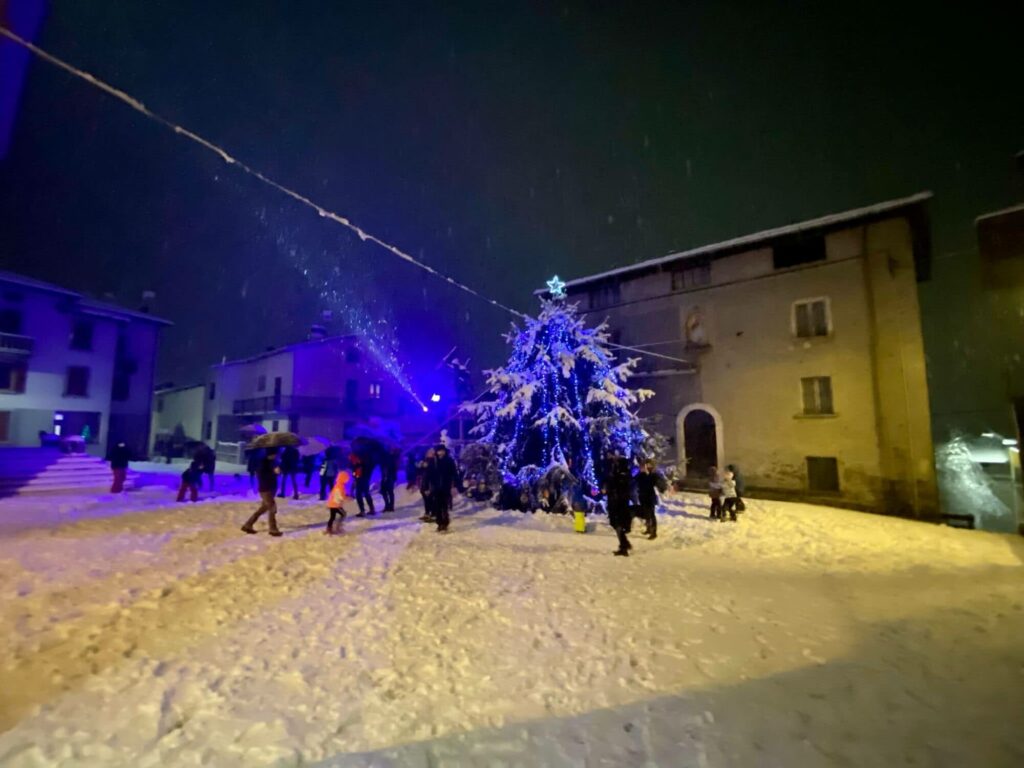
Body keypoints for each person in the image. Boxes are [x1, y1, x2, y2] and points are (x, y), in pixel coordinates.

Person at [241, 448, 282, 536]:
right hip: (265, 488)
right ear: (270, 455)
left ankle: (248, 525)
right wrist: (274, 472)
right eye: (275, 454)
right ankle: (273, 529)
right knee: (272, 507)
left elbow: (274, 474)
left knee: (264, 508)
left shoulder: (272, 462)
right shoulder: (263, 464)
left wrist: (277, 472)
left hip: (269, 488)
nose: (276, 456)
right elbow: (263, 477)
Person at [604, 454, 634, 556]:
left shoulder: (621, 476)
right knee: (616, 524)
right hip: (618, 502)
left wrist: (610, 491)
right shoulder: (622, 475)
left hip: (617, 503)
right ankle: (624, 544)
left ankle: (624, 546)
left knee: (617, 524)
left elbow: (616, 488)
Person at [425, 443, 458, 532]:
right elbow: (429, 474)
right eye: (439, 451)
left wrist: (454, 486)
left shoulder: (449, 460)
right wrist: (428, 486)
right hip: (436, 487)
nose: (440, 452)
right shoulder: (434, 461)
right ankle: (439, 523)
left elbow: (454, 473)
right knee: (437, 506)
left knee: (444, 506)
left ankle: (445, 523)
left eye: (442, 451)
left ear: (444, 451)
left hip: (446, 486)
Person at [636, 460, 660, 539]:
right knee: (646, 514)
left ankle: (654, 532)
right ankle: (648, 528)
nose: (646, 467)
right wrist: (640, 473)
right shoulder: (641, 475)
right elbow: (635, 481)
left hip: (650, 497)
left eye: (648, 465)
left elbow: (653, 483)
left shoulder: (654, 475)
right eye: (645, 465)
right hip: (642, 497)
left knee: (651, 514)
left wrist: (647, 474)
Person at [324, 469, 352, 535]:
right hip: (336, 505)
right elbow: (340, 496)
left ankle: (329, 528)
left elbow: (335, 494)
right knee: (343, 514)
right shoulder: (340, 487)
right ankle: (338, 527)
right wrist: (347, 498)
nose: (347, 481)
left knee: (332, 517)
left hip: (331, 504)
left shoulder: (337, 485)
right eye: (346, 479)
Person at [349, 450, 375, 516]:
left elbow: (358, 473)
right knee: (366, 494)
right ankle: (371, 509)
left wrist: (356, 476)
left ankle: (363, 511)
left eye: (351, 458)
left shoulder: (359, 464)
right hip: (363, 480)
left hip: (361, 480)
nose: (351, 460)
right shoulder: (361, 463)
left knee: (359, 495)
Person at [417, 448, 436, 521]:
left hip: (431, 483)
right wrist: (420, 466)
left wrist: (427, 466)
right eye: (429, 451)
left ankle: (433, 514)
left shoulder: (435, 461)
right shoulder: (425, 460)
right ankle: (427, 513)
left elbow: (433, 472)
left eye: (431, 452)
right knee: (426, 499)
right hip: (424, 482)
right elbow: (420, 471)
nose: (430, 453)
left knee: (431, 499)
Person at [380, 447, 399, 512]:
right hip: (387, 476)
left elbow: (392, 468)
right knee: (385, 491)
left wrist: (387, 475)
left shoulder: (391, 458)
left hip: (389, 477)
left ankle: (390, 506)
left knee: (389, 491)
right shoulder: (386, 458)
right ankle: (388, 506)